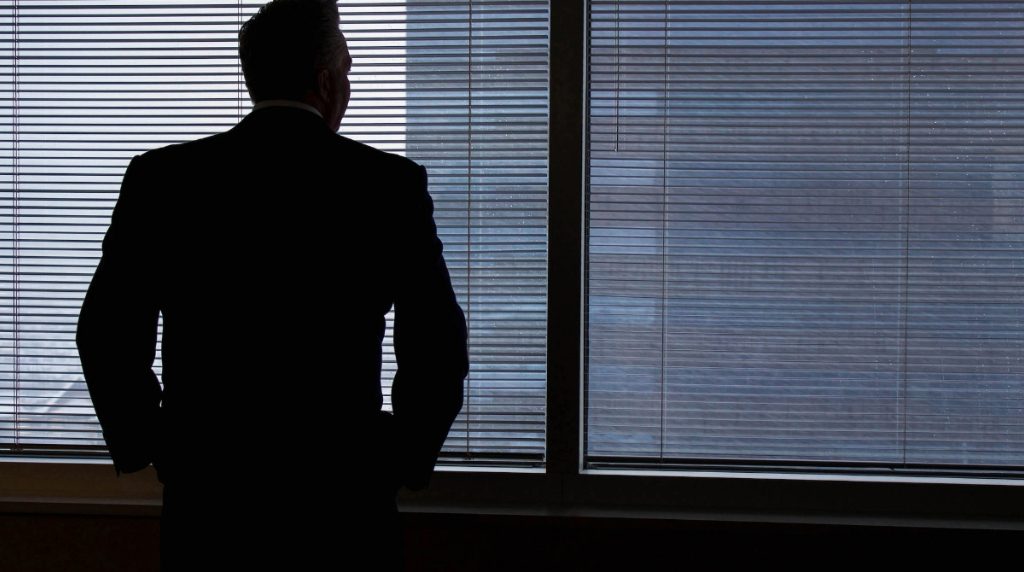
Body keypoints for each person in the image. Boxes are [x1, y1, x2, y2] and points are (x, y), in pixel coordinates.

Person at [75, 0, 468, 568]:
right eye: (351, 72)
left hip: (210, 508)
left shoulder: (163, 181)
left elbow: (105, 334)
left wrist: (159, 447)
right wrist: (400, 457)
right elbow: (438, 345)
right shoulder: (386, 187)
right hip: (344, 506)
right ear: (326, 80)